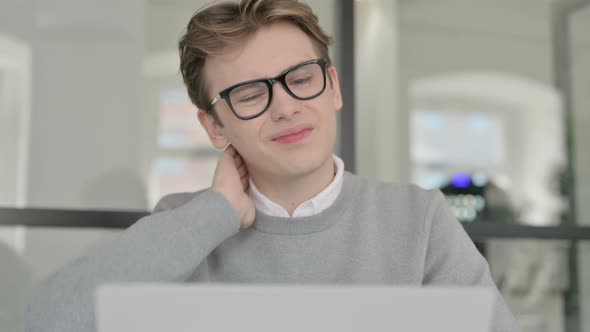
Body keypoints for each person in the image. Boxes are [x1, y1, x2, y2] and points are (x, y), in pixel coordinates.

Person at [26, 0, 520, 331]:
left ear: (334, 88)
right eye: (247, 94)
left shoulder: (421, 220)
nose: (285, 107)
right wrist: (213, 214)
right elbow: (47, 321)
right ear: (215, 127)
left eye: (300, 78)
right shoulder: (183, 226)